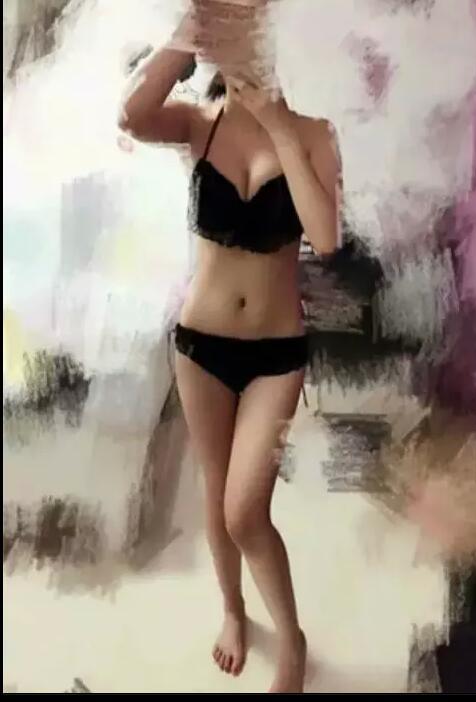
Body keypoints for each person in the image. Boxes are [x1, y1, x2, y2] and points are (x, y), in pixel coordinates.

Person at [119, 0, 340, 692]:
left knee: (246, 510)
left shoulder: (314, 133)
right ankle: (233, 612)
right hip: (200, 346)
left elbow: (326, 237)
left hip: (276, 353)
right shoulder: (200, 124)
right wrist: (186, 35)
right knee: (217, 498)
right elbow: (131, 115)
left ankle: (292, 640)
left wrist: (276, 121)